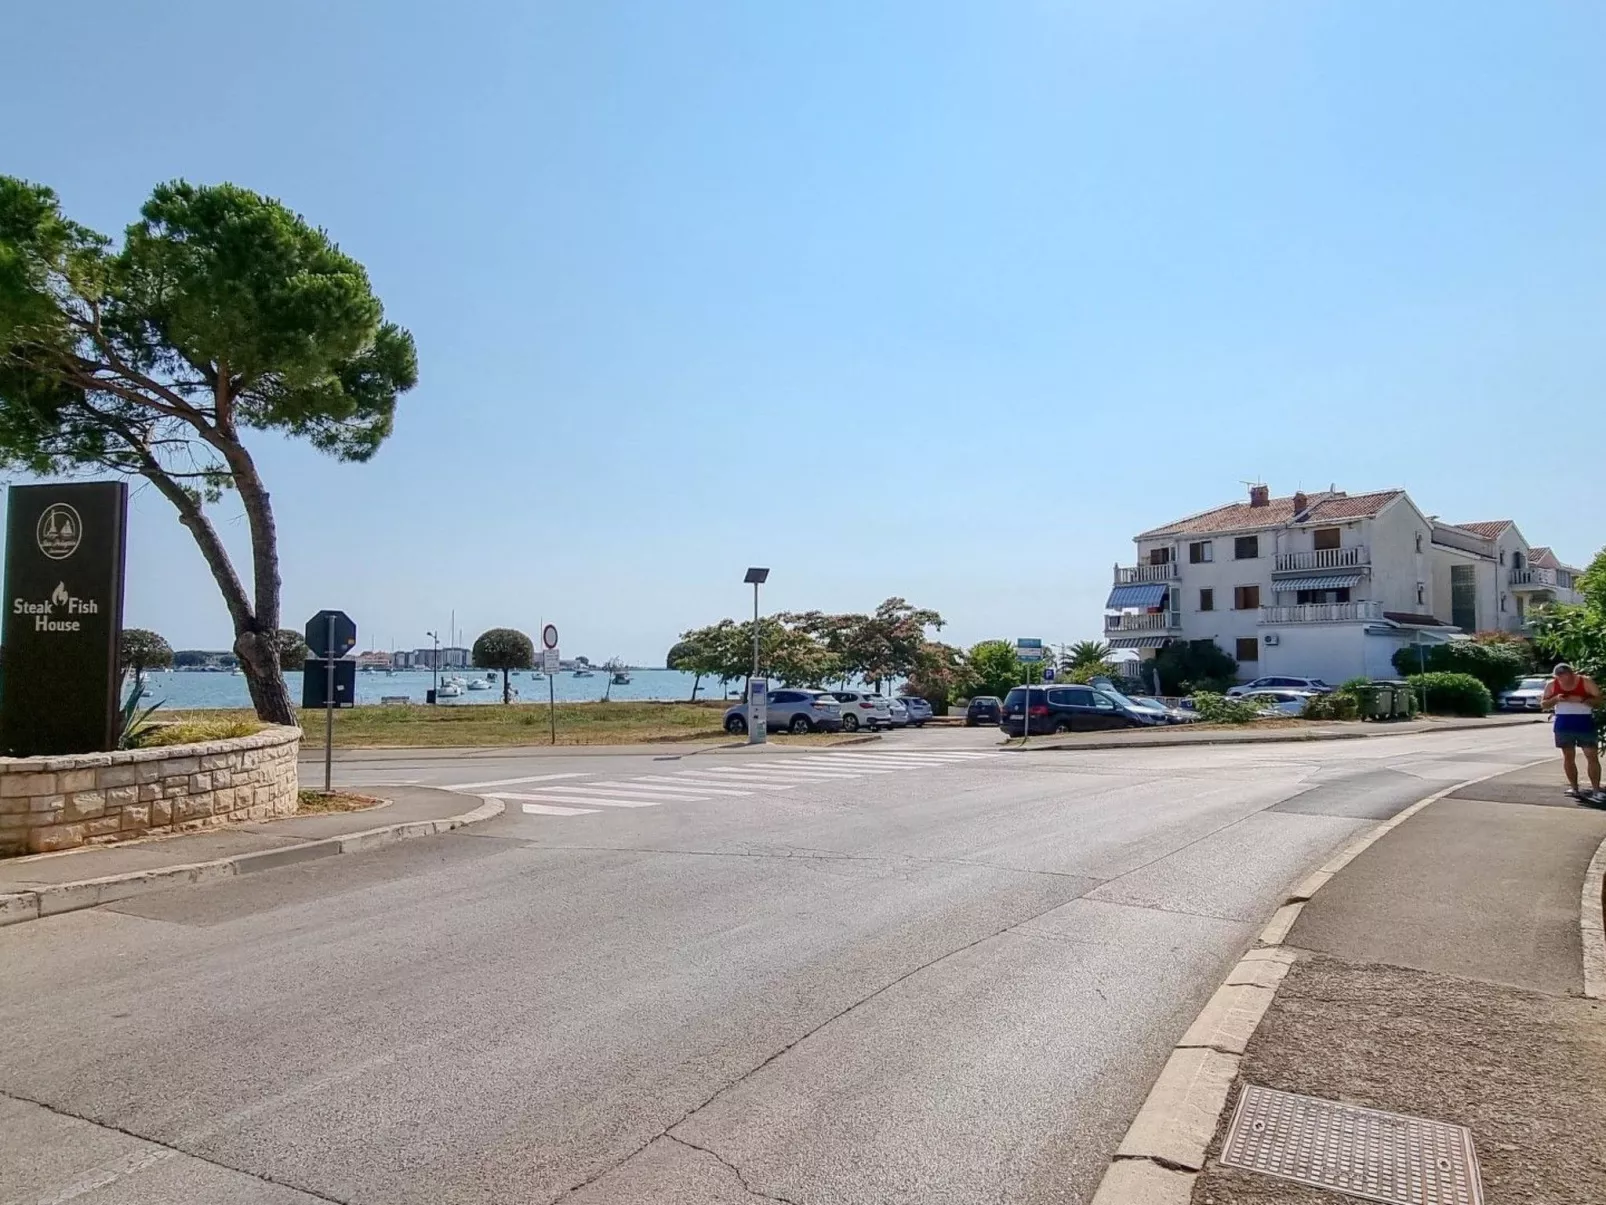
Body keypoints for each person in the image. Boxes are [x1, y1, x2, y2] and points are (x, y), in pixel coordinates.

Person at [1540, 662, 1603, 803]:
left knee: (1591, 757)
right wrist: (1556, 699)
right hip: (1563, 724)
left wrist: (1583, 699)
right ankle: (1574, 788)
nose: (1564, 681)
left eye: (1567, 677)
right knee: (1568, 757)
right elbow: (1543, 705)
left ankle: (1596, 791)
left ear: (1572, 674)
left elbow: (1599, 701)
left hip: (1584, 723)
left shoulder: (1585, 682)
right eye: (1560, 678)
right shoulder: (1552, 685)